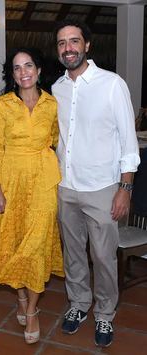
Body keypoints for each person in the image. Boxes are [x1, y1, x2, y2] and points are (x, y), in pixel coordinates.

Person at [52, 19, 140, 348]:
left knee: (103, 256)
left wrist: (125, 188)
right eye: (62, 43)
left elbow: (129, 142)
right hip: (66, 186)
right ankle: (78, 304)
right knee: (73, 253)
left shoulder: (112, 84)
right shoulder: (57, 88)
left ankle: (104, 311)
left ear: (87, 45)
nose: (68, 48)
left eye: (74, 41)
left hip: (103, 188)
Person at [0, 47, 64, 344]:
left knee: (37, 243)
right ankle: (20, 295)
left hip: (43, 180)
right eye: (17, 68)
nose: (23, 72)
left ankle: (31, 310)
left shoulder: (52, 104)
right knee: (15, 240)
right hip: (11, 181)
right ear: (12, 75)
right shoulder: (2, 106)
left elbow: (54, 139)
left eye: (29, 65)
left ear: (39, 70)